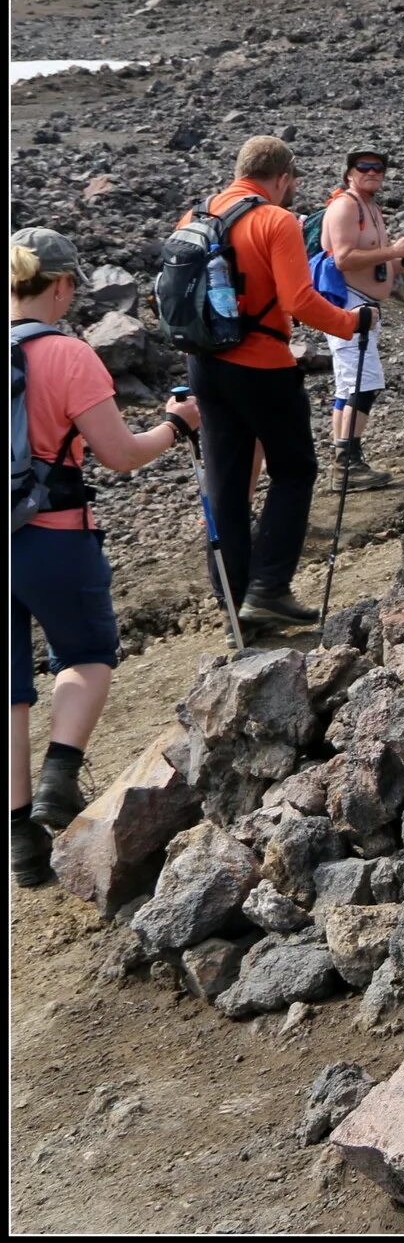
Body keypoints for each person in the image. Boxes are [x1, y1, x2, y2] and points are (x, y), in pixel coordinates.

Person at [11, 228, 205, 886]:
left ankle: (21, 845)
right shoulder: (69, 355)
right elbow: (120, 454)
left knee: (10, 691)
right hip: (57, 536)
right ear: (63, 285)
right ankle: (59, 777)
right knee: (86, 654)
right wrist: (176, 425)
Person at [181, 136, 376, 629]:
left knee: (226, 482)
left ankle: (235, 606)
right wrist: (353, 323)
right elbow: (299, 301)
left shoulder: (196, 215)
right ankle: (268, 589)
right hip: (262, 365)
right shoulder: (275, 219)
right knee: (294, 469)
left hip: (204, 364)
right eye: (295, 180)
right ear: (283, 176)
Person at [319, 150, 404, 490]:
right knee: (364, 383)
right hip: (348, 305)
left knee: (350, 385)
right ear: (349, 173)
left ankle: (345, 461)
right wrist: (395, 251)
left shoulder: (370, 207)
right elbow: (343, 258)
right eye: (363, 167)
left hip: (364, 305)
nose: (372, 171)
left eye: (378, 167)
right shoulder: (345, 206)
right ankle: (347, 466)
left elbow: (376, 261)